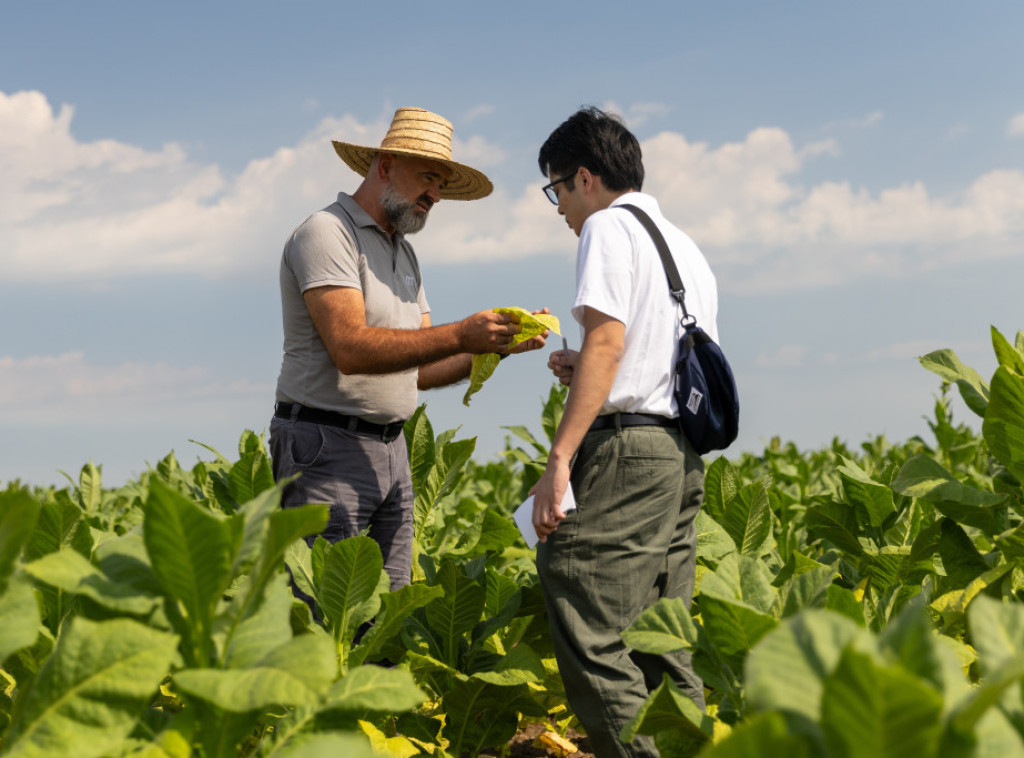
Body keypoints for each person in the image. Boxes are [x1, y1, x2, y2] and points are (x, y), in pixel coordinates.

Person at [270, 107, 546, 592]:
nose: (435, 194)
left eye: (441, 183)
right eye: (428, 177)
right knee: (327, 609)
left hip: (391, 450)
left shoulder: (403, 251)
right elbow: (350, 349)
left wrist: (498, 347)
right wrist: (463, 333)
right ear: (384, 165)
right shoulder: (327, 233)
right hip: (326, 448)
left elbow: (419, 370)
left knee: (389, 614)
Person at [530, 107, 718, 758]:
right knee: (660, 631)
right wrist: (588, 367)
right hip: (679, 455)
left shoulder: (607, 227)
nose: (557, 209)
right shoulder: (684, 246)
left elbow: (608, 343)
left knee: (585, 608)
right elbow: (652, 358)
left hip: (628, 451)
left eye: (555, 189)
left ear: (585, 178)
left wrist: (560, 458)